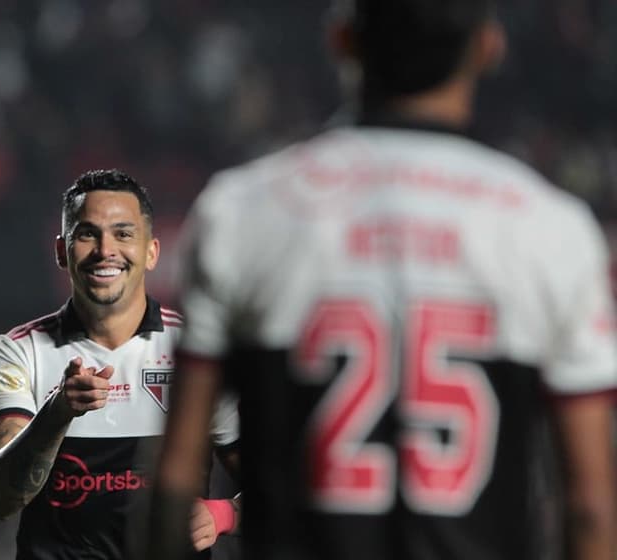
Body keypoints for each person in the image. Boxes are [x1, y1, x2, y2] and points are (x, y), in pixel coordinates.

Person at [148, 1, 617, 559]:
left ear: (342, 40)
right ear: (490, 46)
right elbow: (588, 506)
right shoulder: (549, 228)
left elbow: (176, 478)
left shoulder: (241, 211)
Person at [0, 169, 241, 559]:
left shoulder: (197, 353)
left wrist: (225, 513)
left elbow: (281, 487)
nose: (105, 250)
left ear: (151, 251)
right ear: (61, 251)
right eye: (87, 234)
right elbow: (2, 498)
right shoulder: (18, 352)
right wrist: (57, 413)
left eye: (123, 233)